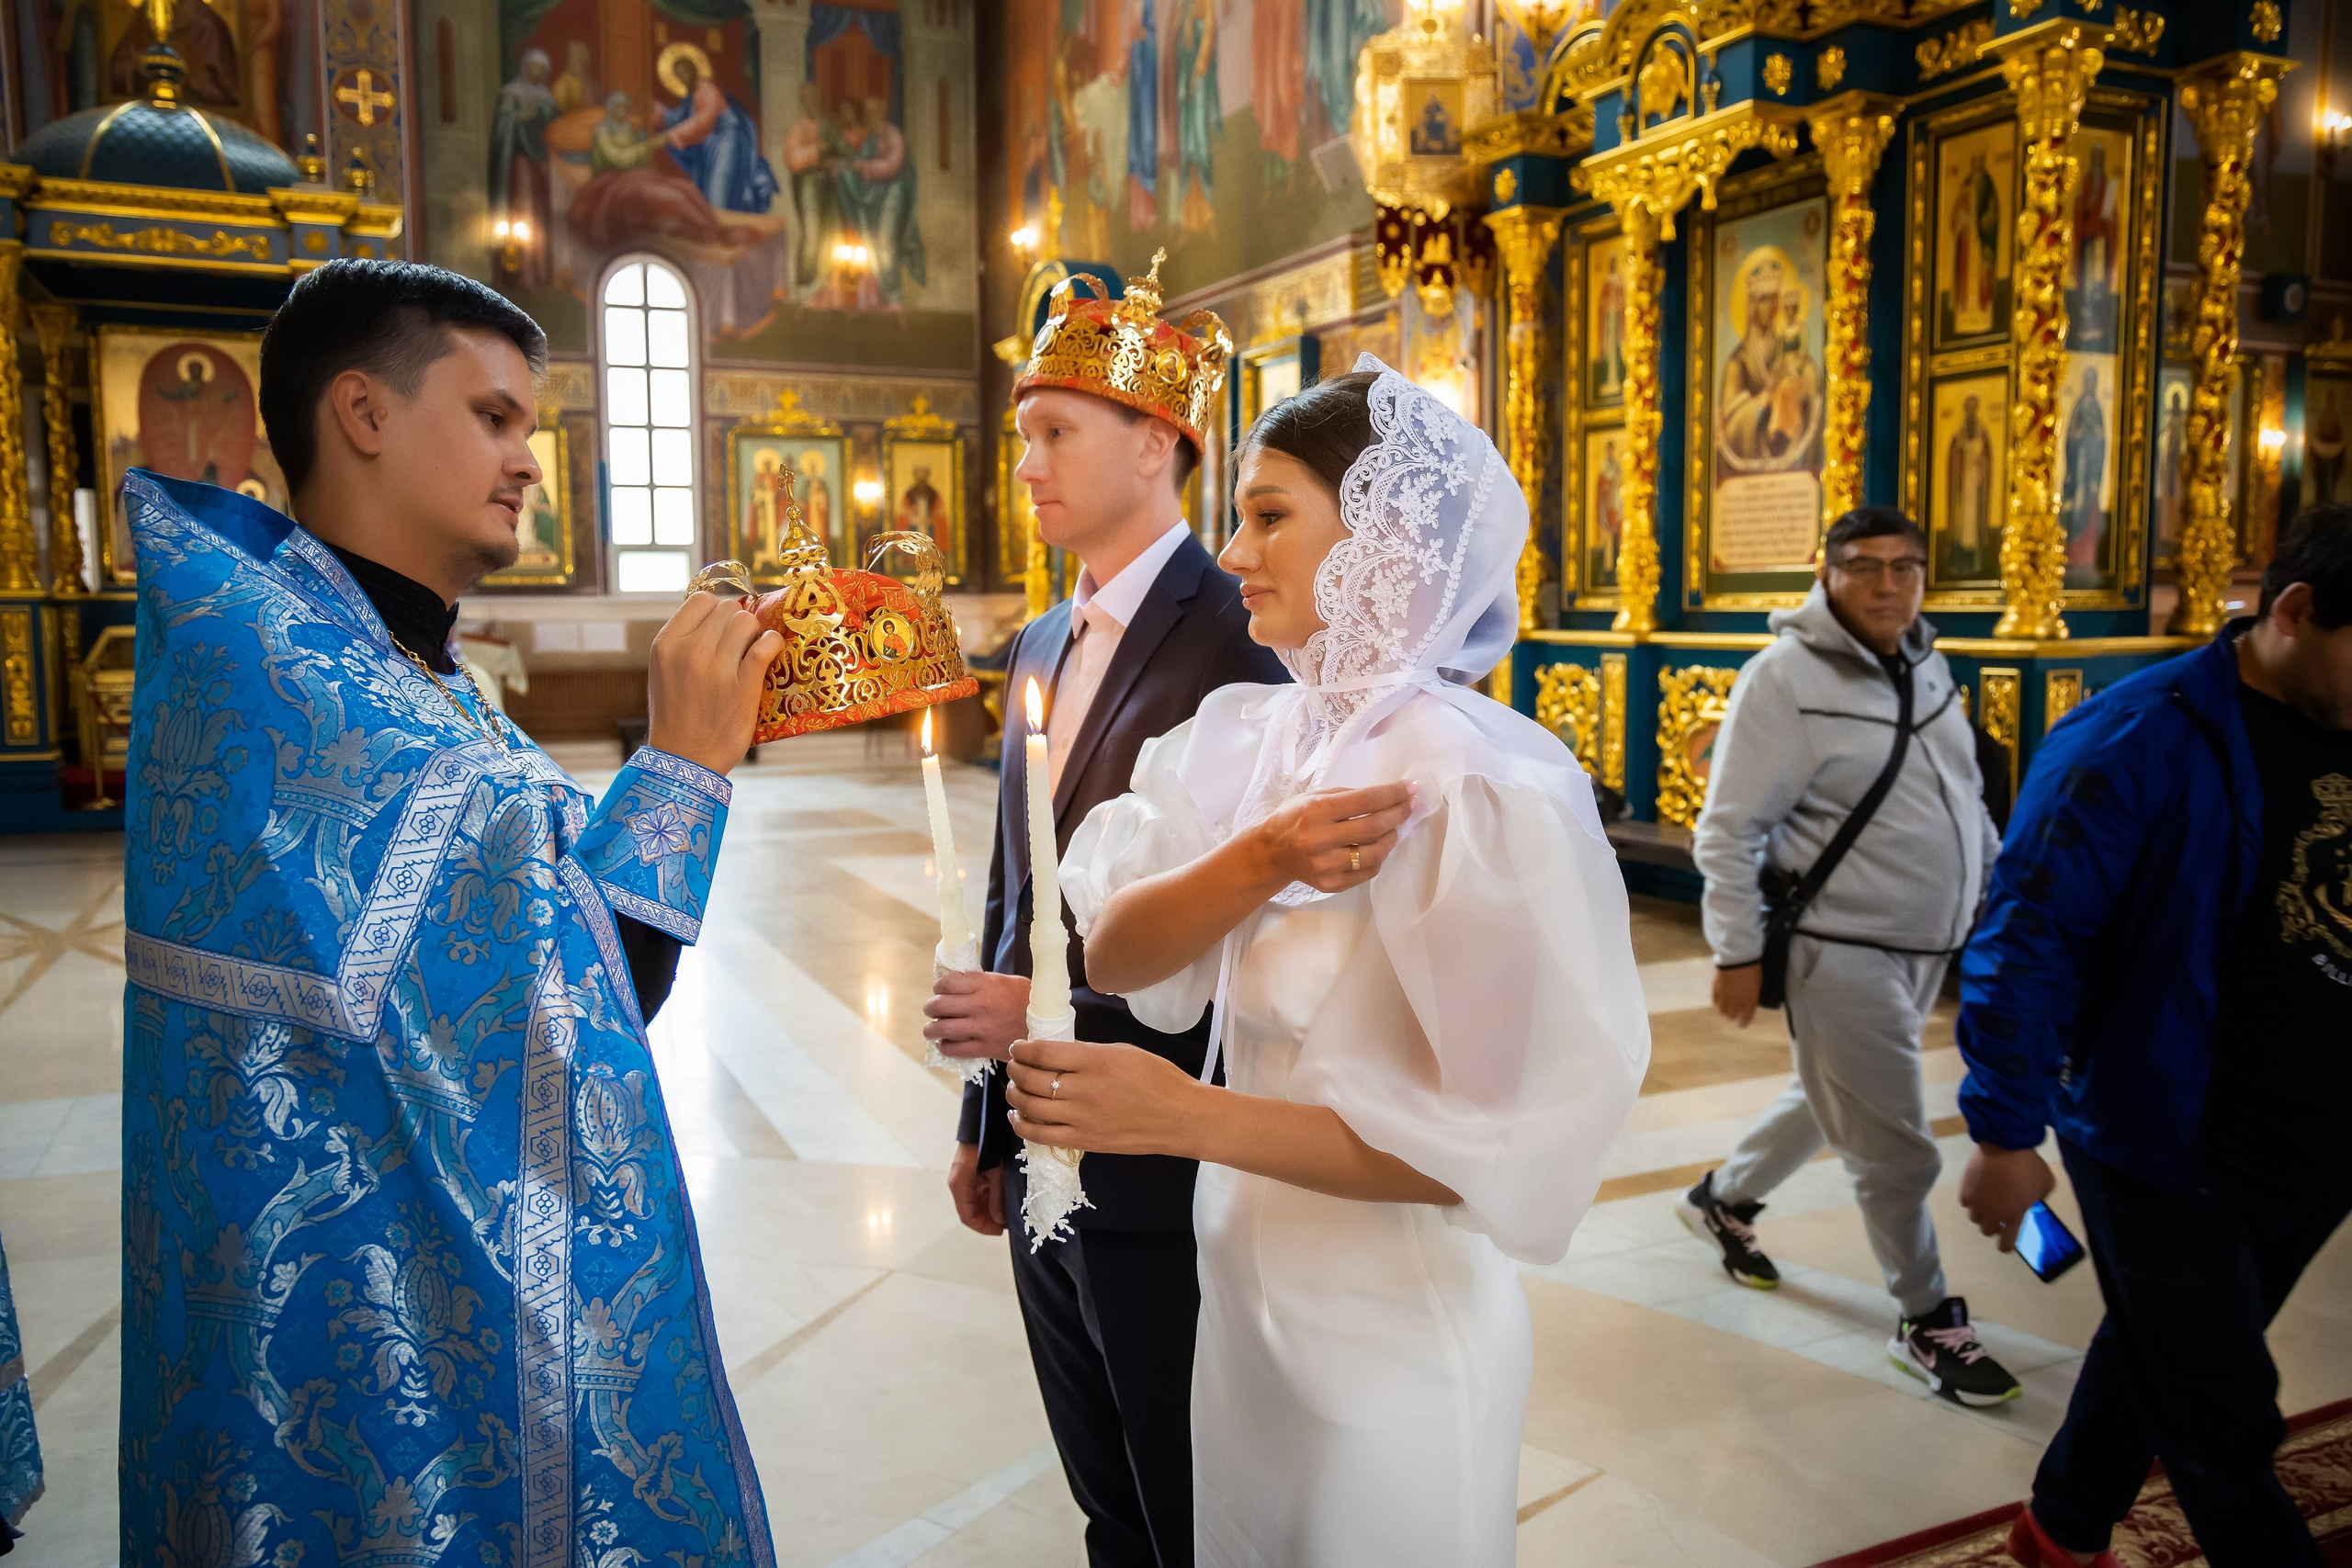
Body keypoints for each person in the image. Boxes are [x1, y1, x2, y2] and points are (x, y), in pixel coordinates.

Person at [116, 260, 781, 1562]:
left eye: (528, 425)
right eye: (492, 416)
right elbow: (562, 1011)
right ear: (361, 411)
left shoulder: (389, 661)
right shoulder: (293, 681)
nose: (529, 457)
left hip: (406, 1295)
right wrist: (683, 766)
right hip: (361, 1342)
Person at [1000, 362, 1650, 1565]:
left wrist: (1186, 1112)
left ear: (1383, 535)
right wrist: (1256, 859)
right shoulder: (1247, 736)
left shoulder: (1473, 782)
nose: (1235, 547)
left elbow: (1481, 1151)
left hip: (1392, 1339)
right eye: (1239, 512)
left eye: (1269, 513)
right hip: (1246, 1315)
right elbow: (1120, 940)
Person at [924, 267, 1284, 1568]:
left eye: (1053, 430)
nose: (1025, 462)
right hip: (1039, 1143)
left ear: (1154, 441)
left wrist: (1058, 1026)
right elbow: (1016, 898)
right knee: (1103, 1496)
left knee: (1188, 1489)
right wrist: (987, 1118)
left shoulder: (1243, 636)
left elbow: (1266, 932)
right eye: (1024, 434)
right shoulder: (1032, 646)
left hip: (1170, 1149)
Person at [1958, 508, 2352, 1568]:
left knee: (2171, 1351)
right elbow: (2028, 928)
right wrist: (2002, 1132)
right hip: (2165, 1129)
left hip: (2316, 1135)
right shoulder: (2140, 732)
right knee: (2225, 1418)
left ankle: (2060, 1527)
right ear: (2296, 611)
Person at [1684, 507, 2017, 1404]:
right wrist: (1736, 951)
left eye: (1905, 568)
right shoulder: (1781, 680)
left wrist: (1998, 900)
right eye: (1864, 567)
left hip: (1926, 944)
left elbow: (1964, 800)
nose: (1887, 586)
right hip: (1841, 950)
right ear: (1822, 570)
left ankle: (1723, 1198)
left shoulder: (1924, 665)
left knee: (1831, 1094)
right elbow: (1727, 834)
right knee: (1896, 1144)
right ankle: (1925, 1319)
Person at [488, 49, 558, 288]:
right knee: (520, 206)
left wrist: (539, 115)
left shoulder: (547, 99)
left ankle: (538, 269)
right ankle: (519, 270)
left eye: (540, 69)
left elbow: (554, 131)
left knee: (538, 216)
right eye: (532, 67)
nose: (535, 73)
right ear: (525, 68)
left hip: (540, 166)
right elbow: (503, 127)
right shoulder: (511, 93)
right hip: (518, 163)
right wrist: (519, 117)